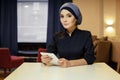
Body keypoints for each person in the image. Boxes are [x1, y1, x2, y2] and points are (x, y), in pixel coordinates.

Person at [41, 2, 96, 67]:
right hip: (62, 72)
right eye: (62, 16)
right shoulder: (57, 36)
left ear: (76, 18)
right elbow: (49, 54)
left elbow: (90, 58)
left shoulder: (86, 35)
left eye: (69, 16)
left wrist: (70, 63)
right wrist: (44, 59)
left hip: (81, 71)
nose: (64, 20)